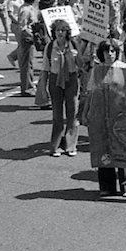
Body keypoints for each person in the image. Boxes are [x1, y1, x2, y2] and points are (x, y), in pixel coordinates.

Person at [91, 40, 126, 198]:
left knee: (124, 150)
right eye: (105, 51)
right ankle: (107, 186)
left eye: (112, 51)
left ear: (117, 52)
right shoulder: (97, 71)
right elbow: (92, 92)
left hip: (122, 116)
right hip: (102, 117)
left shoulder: (125, 68)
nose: (109, 54)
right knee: (104, 150)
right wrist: (86, 112)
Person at [44, 19, 80, 156]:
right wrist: (43, 87)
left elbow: (81, 65)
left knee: (72, 112)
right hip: (55, 80)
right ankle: (56, 145)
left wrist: (76, 57)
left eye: (63, 30)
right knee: (57, 115)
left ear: (67, 32)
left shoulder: (73, 45)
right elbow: (45, 69)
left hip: (71, 79)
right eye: (57, 30)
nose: (60, 33)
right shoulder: (50, 47)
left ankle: (71, 145)